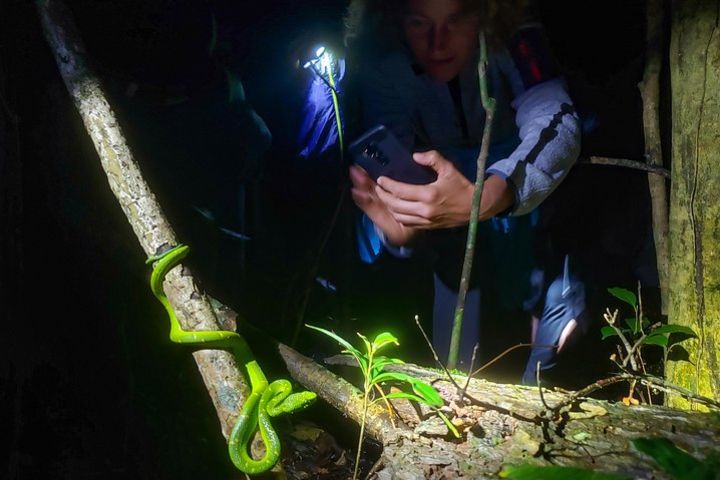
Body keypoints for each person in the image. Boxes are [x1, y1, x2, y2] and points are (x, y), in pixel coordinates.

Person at [344, 0, 586, 382]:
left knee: (554, 336)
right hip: (446, 224)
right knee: (456, 354)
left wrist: (491, 195)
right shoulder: (385, 61)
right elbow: (391, 149)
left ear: (486, 14)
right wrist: (399, 224)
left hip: (530, 197)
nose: (438, 43)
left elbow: (555, 116)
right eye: (419, 22)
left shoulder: (514, 38)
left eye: (456, 20)